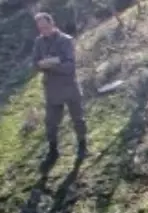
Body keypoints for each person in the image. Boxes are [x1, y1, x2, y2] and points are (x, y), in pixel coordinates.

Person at [33, 12, 87, 163]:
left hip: (69, 86)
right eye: (40, 28)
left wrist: (51, 65)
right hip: (52, 88)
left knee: (78, 119)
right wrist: (42, 65)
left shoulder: (66, 40)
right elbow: (35, 63)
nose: (43, 30)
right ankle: (53, 150)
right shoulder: (39, 42)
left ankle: (82, 146)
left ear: (52, 23)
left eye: (45, 26)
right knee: (50, 122)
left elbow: (70, 66)